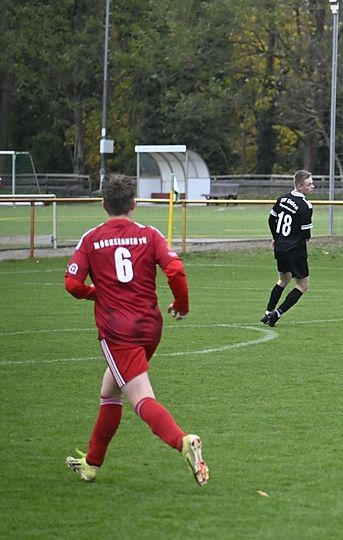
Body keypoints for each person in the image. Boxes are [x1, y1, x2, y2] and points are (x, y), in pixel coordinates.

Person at [63, 173, 208, 485]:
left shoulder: (91, 238)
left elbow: (72, 284)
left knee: (141, 397)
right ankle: (92, 463)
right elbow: (175, 270)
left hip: (118, 332)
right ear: (134, 204)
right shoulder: (150, 234)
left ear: (103, 204)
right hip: (150, 327)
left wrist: (94, 293)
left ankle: (183, 441)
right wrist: (181, 304)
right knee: (109, 391)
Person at [261, 170, 315, 327]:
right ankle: (277, 314)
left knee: (283, 280)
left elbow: (271, 219)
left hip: (280, 246)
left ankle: (267, 312)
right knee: (303, 285)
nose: (312, 186)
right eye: (309, 184)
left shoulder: (282, 198)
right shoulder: (305, 206)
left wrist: (275, 238)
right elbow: (306, 233)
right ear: (299, 186)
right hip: (295, 249)